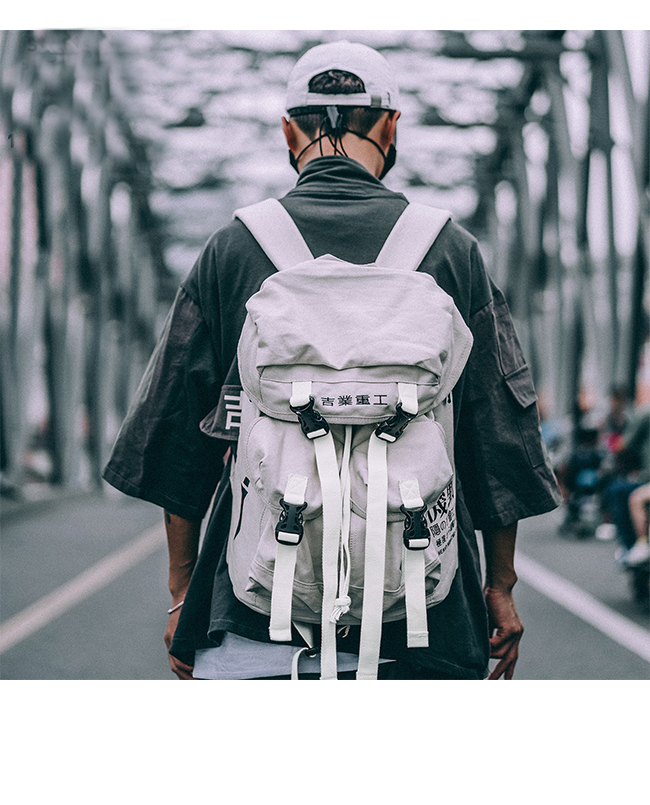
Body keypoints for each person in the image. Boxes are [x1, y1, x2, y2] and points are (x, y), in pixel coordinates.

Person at [103, 40, 561, 680]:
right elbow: (498, 435)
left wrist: (185, 592)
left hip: (256, 612)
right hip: (425, 615)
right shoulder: (451, 250)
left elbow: (176, 434)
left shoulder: (232, 249)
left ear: (289, 130)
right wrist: (500, 586)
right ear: (391, 127)